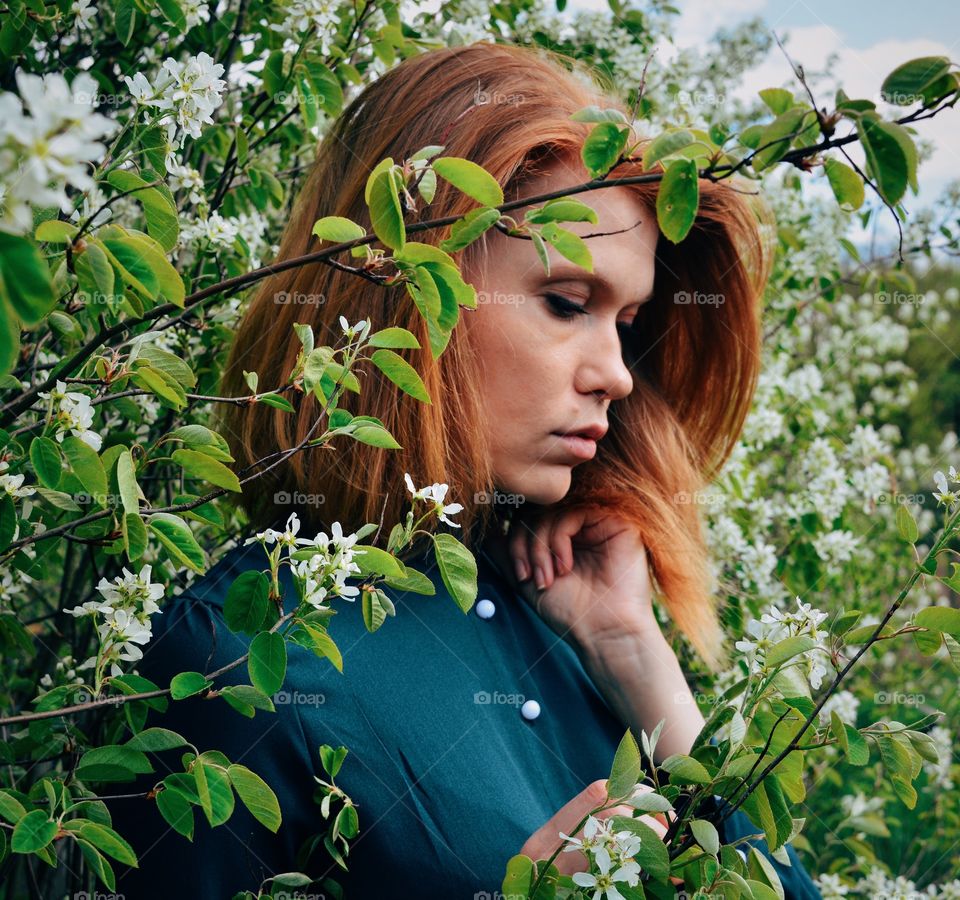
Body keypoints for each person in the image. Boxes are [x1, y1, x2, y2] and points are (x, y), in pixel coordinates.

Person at [111, 41, 823, 899]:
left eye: (629, 323)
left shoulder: (573, 615)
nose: (619, 372)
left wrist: (634, 651)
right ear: (404, 285)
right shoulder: (236, 654)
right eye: (567, 303)